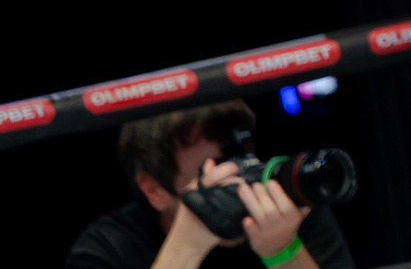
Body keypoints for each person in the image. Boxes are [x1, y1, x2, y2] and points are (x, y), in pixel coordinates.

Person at [65, 101, 353, 269]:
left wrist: (282, 251)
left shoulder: (287, 209)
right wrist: (186, 245)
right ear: (154, 191)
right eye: (217, 168)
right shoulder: (108, 247)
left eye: (243, 158)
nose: (241, 178)